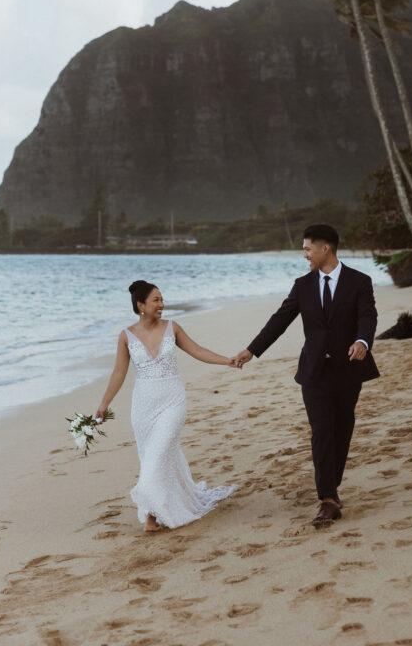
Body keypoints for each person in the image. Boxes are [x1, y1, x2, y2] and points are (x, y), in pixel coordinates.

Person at [232, 224, 379, 527]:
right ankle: (327, 498)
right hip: (313, 371)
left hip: (348, 367)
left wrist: (362, 341)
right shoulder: (302, 285)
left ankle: (332, 487)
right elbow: (280, 320)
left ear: (325, 249)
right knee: (321, 429)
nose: (304, 255)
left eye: (307, 249)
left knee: (342, 427)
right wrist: (252, 350)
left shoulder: (359, 281)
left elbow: (368, 315)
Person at [95, 280, 237, 532]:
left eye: (161, 299)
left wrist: (226, 361)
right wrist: (104, 403)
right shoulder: (126, 336)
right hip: (144, 405)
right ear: (141, 305)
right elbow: (119, 372)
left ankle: (150, 512)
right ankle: (154, 510)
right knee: (152, 456)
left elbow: (197, 350)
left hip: (173, 401)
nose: (162, 304)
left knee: (159, 453)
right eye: (156, 300)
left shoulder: (173, 328)